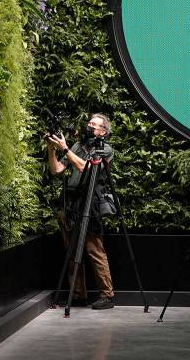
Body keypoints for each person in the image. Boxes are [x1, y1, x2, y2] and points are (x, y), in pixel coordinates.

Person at [45, 113, 116, 310]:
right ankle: (78, 295)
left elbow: (86, 168)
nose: (89, 126)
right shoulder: (78, 146)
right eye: (89, 122)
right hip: (71, 202)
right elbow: (57, 169)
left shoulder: (105, 149)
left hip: (90, 201)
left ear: (103, 131)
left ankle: (107, 295)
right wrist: (52, 149)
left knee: (94, 250)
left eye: (94, 124)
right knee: (71, 250)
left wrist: (65, 148)